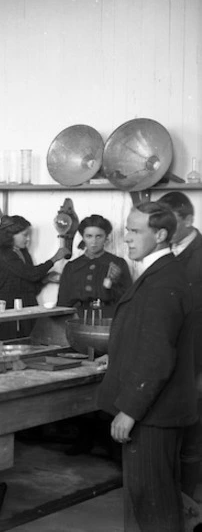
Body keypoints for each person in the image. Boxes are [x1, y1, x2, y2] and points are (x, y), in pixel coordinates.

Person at [97, 201, 196, 531]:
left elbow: (158, 356)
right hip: (159, 410)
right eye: (127, 229)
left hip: (153, 414)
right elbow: (149, 338)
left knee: (153, 502)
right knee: (154, 499)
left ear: (162, 234)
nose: (127, 237)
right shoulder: (160, 274)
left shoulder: (163, 281)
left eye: (136, 231)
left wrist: (130, 410)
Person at [158, 192, 202, 500]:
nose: (165, 229)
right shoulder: (166, 253)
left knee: (193, 439)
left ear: (188, 219)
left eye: (172, 222)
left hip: (197, 363)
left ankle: (187, 502)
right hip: (169, 359)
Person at [0, 215, 69, 340]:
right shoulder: (3, 255)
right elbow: (31, 274)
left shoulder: (23, 253)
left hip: (27, 303)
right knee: (10, 342)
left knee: (29, 342)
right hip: (8, 306)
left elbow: (30, 285)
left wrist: (46, 279)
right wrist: (54, 259)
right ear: (11, 235)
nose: (28, 239)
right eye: (25, 235)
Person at [56, 214, 132, 318]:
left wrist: (113, 284)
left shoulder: (117, 263)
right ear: (83, 237)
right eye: (89, 236)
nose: (94, 242)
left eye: (99, 236)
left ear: (106, 238)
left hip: (110, 318)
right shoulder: (72, 266)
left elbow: (128, 300)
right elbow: (63, 303)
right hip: (79, 318)